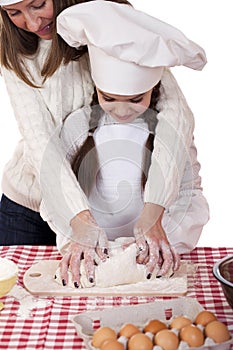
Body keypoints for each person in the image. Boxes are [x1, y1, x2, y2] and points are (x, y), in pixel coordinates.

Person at [0, 0, 206, 286]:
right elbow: (39, 140)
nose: (32, 23)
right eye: (14, 13)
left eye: (38, 4)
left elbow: (176, 115)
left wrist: (154, 207)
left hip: (97, 213)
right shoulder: (13, 53)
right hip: (27, 205)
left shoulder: (111, 25)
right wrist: (77, 220)